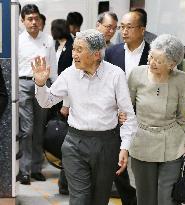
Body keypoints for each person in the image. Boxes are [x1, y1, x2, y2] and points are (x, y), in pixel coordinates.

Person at [32, 29, 137, 205]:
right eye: (74, 49)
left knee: (99, 199)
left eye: (79, 50)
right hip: (75, 143)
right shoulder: (69, 74)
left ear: (96, 54)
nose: (74, 54)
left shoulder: (115, 74)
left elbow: (128, 115)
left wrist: (125, 147)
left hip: (106, 144)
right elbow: (46, 101)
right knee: (79, 199)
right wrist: (41, 84)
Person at [127, 34, 185, 205]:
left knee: (167, 198)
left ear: (172, 65)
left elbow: (183, 117)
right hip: (142, 141)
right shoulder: (137, 74)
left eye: (159, 60)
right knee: (146, 198)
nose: (152, 62)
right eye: (151, 57)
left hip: (172, 144)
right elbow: (127, 109)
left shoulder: (181, 79)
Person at [105, 10, 151, 205]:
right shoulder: (112, 52)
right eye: (121, 27)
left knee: (144, 165)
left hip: (146, 118)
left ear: (142, 30)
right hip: (119, 117)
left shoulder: (153, 54)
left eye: (128, 27)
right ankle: (130, 200)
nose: (123, 31)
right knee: (118, 164)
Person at [18, 4, 57, 185]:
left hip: (43, 85)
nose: (34, 22)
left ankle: (36, 168)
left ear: (40, 20)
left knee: (39, 128)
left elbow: (53, 67)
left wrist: (55, 89)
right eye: (29, 19)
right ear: (23, 21)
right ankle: (24, 170)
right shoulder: (18, 40)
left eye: (36, 18)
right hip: (24, 84)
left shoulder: (48, 40)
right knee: (27, 129)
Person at [50, 18, 74, 195]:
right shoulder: (55, 45)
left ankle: (65, 183)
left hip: (67, 96)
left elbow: (69, 77)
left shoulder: (72, 45)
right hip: (56, 92)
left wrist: (66, 103)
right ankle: (64, 182)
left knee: (67, 139)